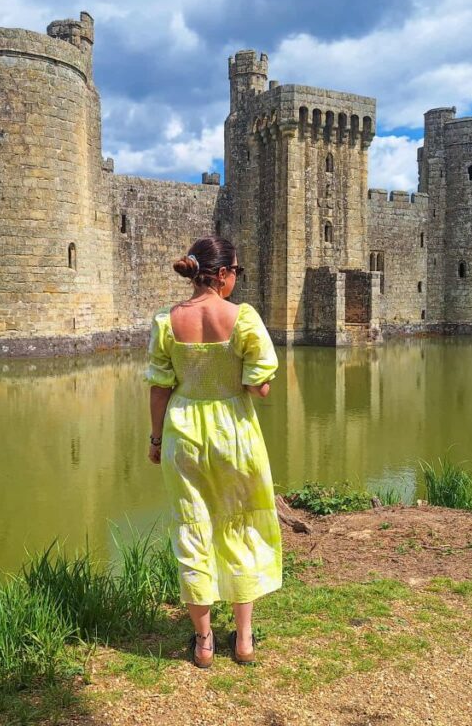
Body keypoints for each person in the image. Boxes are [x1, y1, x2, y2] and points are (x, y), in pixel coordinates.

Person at [145, 236, 282, 668]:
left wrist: (154, 440)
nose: (236, 280)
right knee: (240, 528)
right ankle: (243, 641)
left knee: (192, 528)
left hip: (183, 431)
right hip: (233, 433)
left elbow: (159, 387)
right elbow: (259, 387)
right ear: (222, 274)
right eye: (236, 272)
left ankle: (203, 643)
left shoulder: (166, 322)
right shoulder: (243, 319)